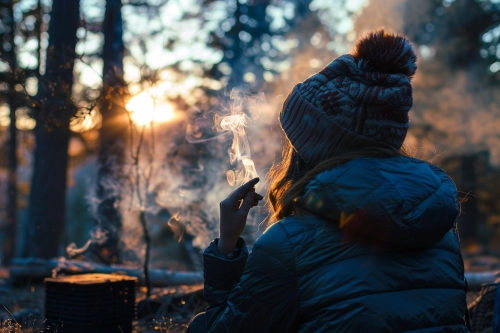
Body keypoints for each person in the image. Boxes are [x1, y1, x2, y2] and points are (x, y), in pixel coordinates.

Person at [187, 28, 469, 333]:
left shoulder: (290, 243)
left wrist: (226, 250)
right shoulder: (440, 226)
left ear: (314, 148)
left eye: (294, 141)